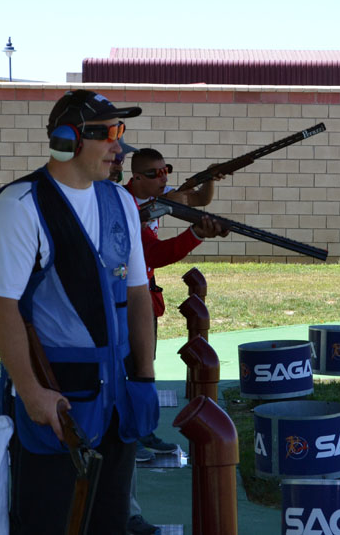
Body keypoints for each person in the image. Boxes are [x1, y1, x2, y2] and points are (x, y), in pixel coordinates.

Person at [0, 90, 158, 535]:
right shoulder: (20, 205)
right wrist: (33, 393)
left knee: (110, 524)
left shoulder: (121, 204)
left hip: (117, 404)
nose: (119, 146)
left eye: (122, 132)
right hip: (55, 405)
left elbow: (137, 295)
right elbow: (0, 308)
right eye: (109, 134)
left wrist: (146, 375)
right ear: (67, 140)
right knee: (47, 524)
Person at [124, 148, 227, 462]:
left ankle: (143, 432)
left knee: (144, 365)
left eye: (165, 170)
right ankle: (130, 439)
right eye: (155, 173)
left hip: (144, 294)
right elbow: (154, 255)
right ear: (136, 177)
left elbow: (198, 201)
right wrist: (196, 233)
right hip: (125, 297)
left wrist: (209, 178)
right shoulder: (125, 203)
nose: (163, 177)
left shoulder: (161, 195)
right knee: (131, 370)